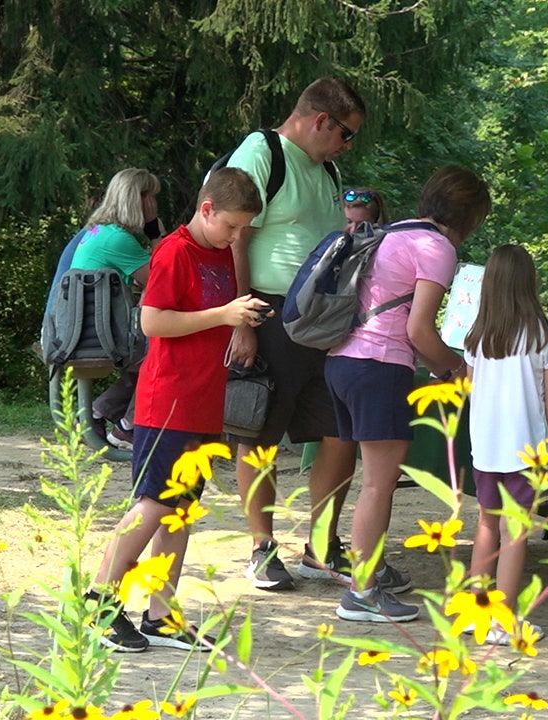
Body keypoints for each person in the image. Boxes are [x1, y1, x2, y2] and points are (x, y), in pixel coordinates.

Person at [85, 167, 269, 653]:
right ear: (206, 209)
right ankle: (99, 602)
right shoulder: (175, 251)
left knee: (181, 511)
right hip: (166, 401)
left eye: (242, 230)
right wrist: (224, 315)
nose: (235, 237)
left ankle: (161, 615)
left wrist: (244, 317)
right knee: (153, 505)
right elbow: (152, 321)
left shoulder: (218, 253)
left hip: (204, 401)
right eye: (230, 226)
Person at [327, 165, 491, 622]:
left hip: (341, 360)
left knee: (370, 482)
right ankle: (361, 593)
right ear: (470, 217)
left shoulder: (394, 232)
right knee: (379, 484)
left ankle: (370, 571)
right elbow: (419, 331)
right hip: (379, 365)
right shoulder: (436, 248)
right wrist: (459, 370)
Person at [225, 77, 368, 592]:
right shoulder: (263, 151)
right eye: (346, 134)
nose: (348, 146)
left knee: (340, 431)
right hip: (269, 311)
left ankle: (322, 546)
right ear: (320, 120)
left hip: (322, 320)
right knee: (259, 435)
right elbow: (234, 231)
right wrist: (241, 317)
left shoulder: (326, 168)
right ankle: (262, 548)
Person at [463, 244, 548, 644]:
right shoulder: (545, 334)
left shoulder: (476, 334)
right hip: (527, 448)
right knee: (516, 531)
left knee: (487, 523)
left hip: (485, 447)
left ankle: (476, 612)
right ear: (530, 284)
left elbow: (471, 390)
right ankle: (505, 619)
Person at [67, 168, 167, 449]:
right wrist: (156, 232)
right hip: (96, 337)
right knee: (163, 351)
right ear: (139, 200)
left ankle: (97, 412)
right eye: (152, 197)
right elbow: (163, 280)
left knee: (149, 347)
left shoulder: (99, 230)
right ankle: (129, 426)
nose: (155, 204)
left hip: (83, 329)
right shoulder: (118, 239)